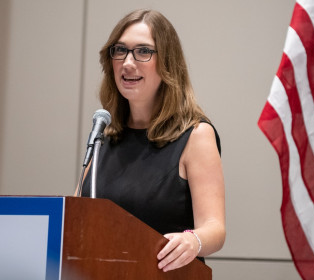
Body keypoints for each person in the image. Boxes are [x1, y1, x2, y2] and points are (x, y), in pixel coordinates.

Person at [76, 9, 225, 272]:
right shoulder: (104, 136)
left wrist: (193, 241)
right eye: (120, 50)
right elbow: (75, 217)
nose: (128, 62)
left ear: (167, 62)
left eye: (143, 51)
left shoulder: (196, 135)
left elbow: (215, 229)